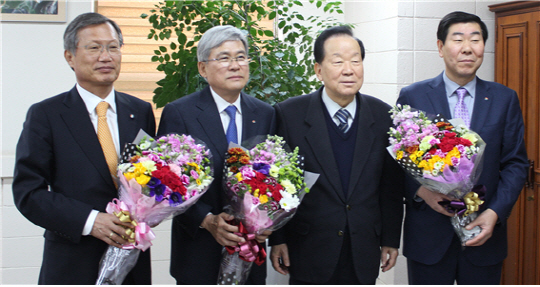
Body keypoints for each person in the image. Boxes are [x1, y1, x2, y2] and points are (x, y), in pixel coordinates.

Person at [12, 12, 155, 284]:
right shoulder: (47, 114)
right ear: (70, 57)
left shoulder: (140, 111)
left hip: (133, 261)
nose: (106, 56)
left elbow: (150, 179)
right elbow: (28, 192)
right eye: (94, 48)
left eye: (113, 47)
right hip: (72, 261)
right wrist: (91, 221)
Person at [397, 11, 528, 285]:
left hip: (484, 234)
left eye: (475, 40)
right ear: (441, 47)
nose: (468, 48)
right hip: (429, 236)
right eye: (458, 40)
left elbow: (515, 163)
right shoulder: (414, 96)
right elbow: (397, 160)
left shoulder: (505, 98)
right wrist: (422, 191)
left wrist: (494, 213)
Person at [269, 26, 404, 285]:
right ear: (319, 70)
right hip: (308, 246)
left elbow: (390, 187)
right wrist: (278, 238)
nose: (349, 69)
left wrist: (390, 239)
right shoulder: (289, 114)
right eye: (338, 61)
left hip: (363, 246)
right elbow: (278, 185)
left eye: (356, 61)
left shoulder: (383, 116)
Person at [157, 25, 276, 285]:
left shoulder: (265, 113)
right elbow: (166, 183)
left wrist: (268, 219)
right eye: (224, 58)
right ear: (202, 68)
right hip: (199, 252)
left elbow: (274, 178)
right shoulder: (180, 113)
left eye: (241, 56)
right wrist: (206, 219)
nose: (235, 65)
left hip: (250, 253)